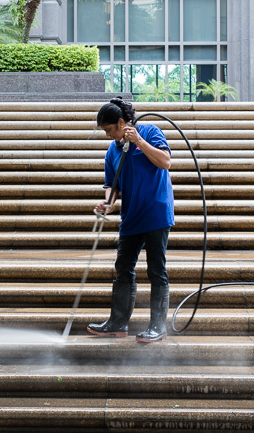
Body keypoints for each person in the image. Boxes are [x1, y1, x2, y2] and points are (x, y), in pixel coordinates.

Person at [87, 97, 175, 343]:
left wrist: (139, 141)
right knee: (123, 268)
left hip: (156, 211)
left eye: (109, 130)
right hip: (132, 216)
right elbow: (111, 186)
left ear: (122, 122)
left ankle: (158, 326)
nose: (107, 135)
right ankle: (118, 322)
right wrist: (109, 203)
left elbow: (165, 162)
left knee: (156, 270)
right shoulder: (112, 150)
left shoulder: (150, 131)